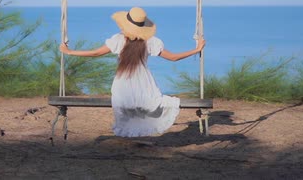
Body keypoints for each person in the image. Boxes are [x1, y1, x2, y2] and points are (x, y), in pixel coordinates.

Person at [60, 7, 206, 137]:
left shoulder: (118, 40)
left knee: (126, 103)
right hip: (144, 82)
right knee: (151, 102)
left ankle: (133, 131)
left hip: (123, 82)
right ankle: (141, 131)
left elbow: (95, 53)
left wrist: (70, 52)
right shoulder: (150, 41)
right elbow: (173, 58)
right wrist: (197, 49)